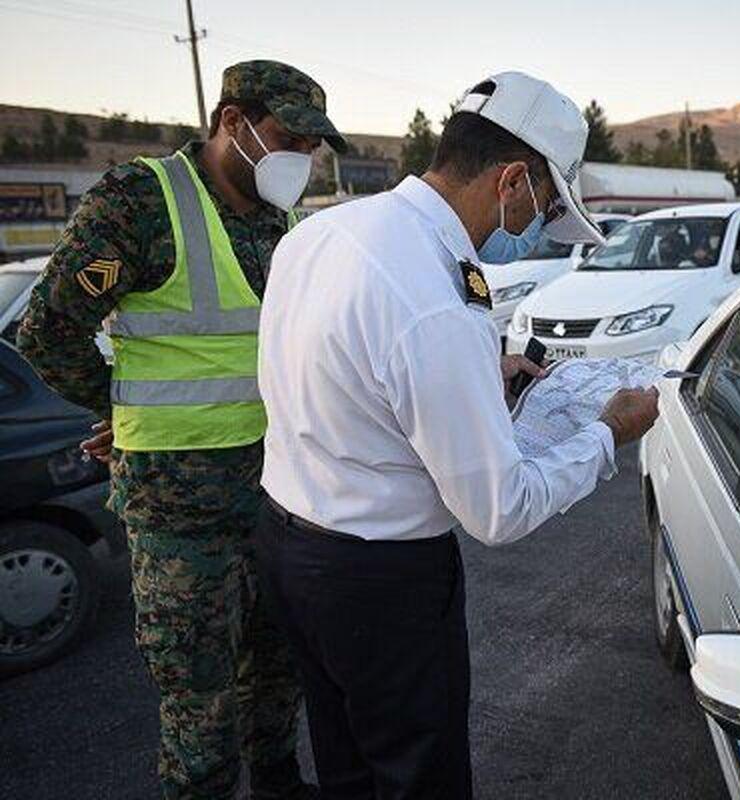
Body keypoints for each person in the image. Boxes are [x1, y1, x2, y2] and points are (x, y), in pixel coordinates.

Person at [253, 70, 659, 799]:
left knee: (346, 761)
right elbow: (498, 511)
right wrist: (607, 432)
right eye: (543, 207)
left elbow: (344, 375)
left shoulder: (327, 231)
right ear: (512, 181)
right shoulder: (436, 298)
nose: (535, 228)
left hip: (291, 545)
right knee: (417, 776)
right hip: (380, 585)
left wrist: (473, 376)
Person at [16, 60, 345, 799]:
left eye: (312, 146)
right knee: (199, 698)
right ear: (233, 122)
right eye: (288, 136)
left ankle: (280, 780)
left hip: (280, 492)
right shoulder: (140, 200)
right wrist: (119, 409)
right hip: (180, 511)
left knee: (279, 663)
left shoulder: (281, 220)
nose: (302, 156)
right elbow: (47, 331)